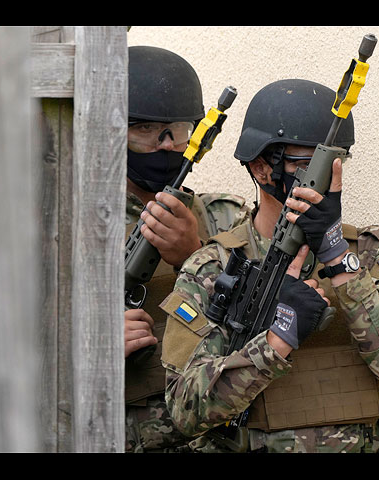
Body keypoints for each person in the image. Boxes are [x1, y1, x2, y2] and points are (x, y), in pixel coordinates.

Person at [159, 78, 379, 453]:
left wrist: (338, 257)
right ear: (261, 168)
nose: (325, 181)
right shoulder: (214, 265)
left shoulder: (370, 250)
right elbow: (183, 410)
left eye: (335, 165)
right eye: (308, 165)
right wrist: (275, 342)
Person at [123, 46, 250, 452]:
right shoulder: (60, 223)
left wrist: (195, 256)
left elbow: (269, 324)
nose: (166, 144)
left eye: (179, 130)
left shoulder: (226, 217)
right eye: (145, 129)